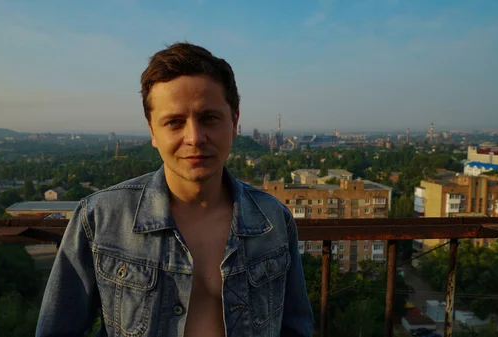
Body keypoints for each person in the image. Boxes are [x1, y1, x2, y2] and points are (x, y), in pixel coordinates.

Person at [36, 42, 313, 337]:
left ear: (234, 122)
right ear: (153, 131)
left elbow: (295, 328)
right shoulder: (100, 219)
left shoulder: (273, 221)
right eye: (174, 122)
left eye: (209, 118)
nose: (194, 137)